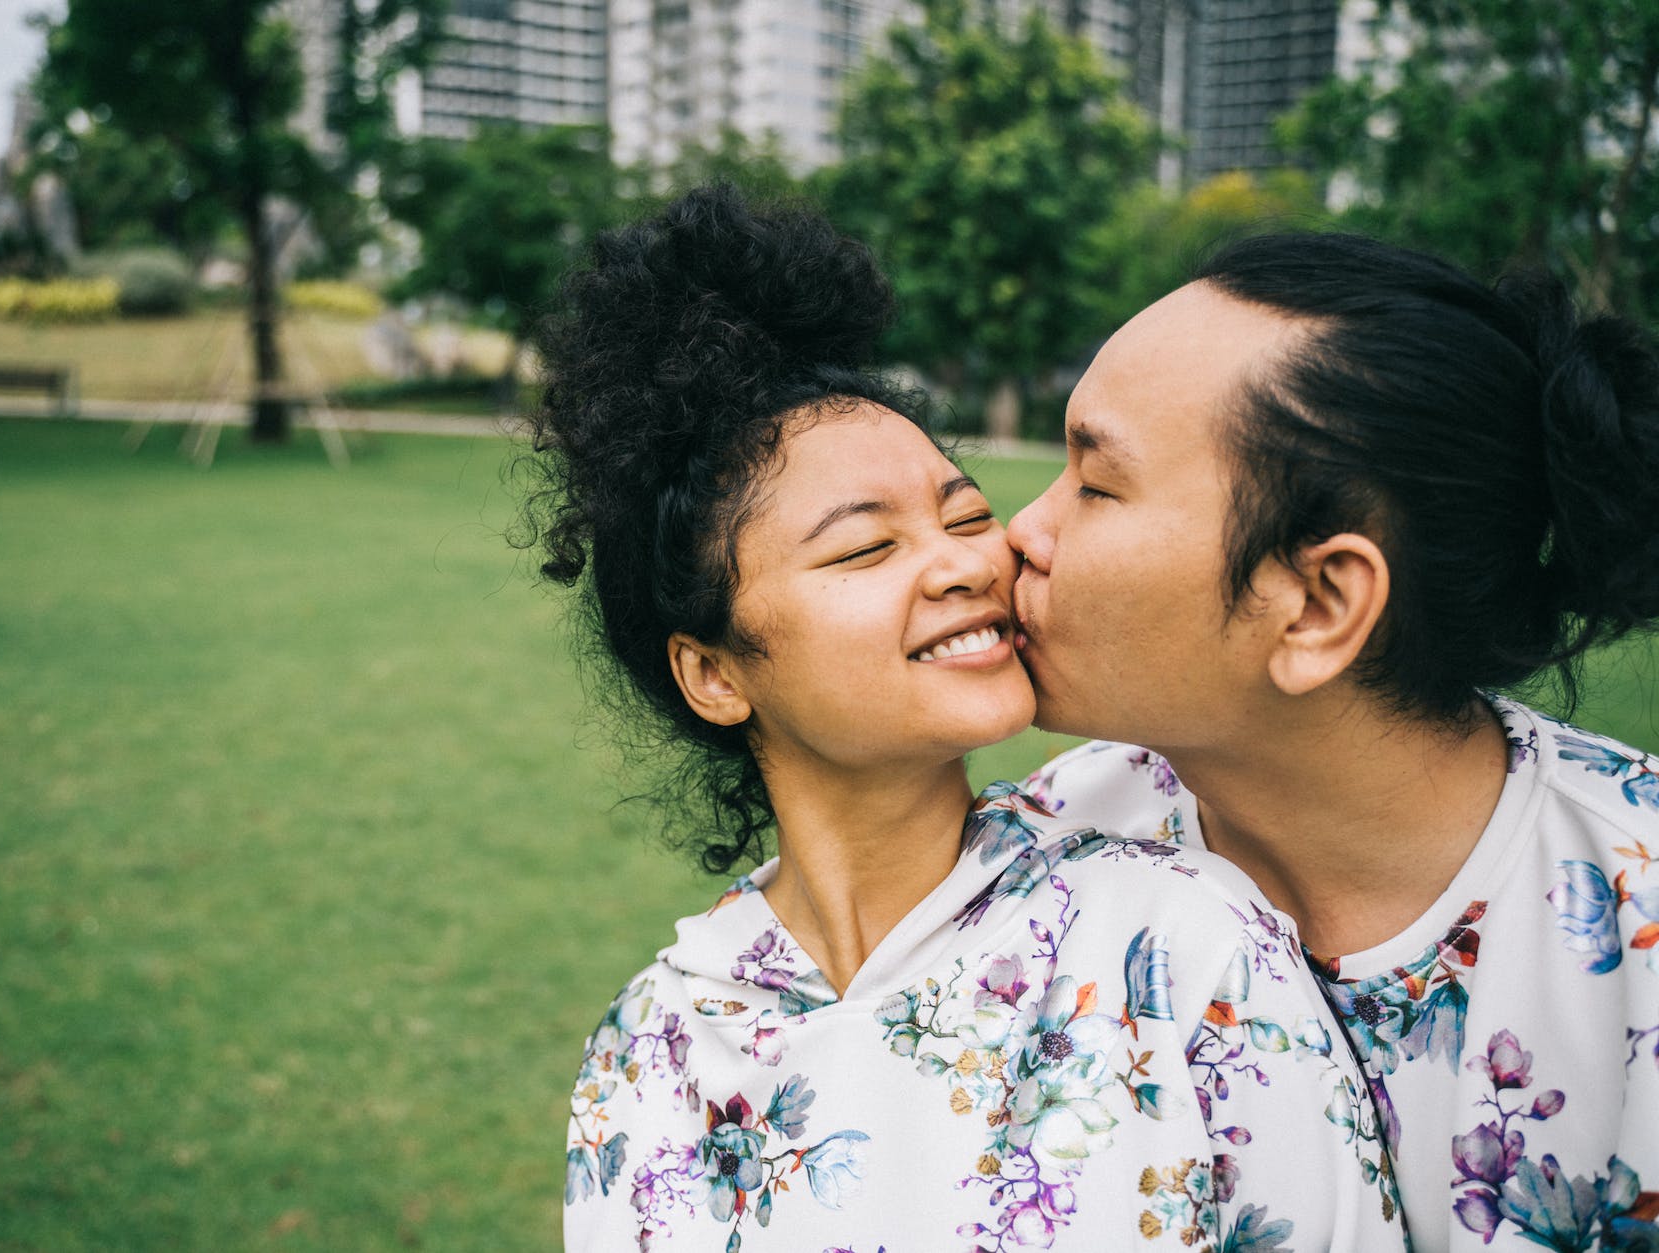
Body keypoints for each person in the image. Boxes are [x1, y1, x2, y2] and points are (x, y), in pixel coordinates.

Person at [534, 187, 1405, 1251]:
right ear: (713, 672)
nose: (963, 562)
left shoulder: (1176, 946)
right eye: (863, 547)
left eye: (964, 514)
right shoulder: (650, 1047)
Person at [1008, 232, 1659, 1253]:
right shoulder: (1032, 861)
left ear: (1315, 603)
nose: (1017, 533)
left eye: (1094, 486)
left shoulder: (1638, 923)